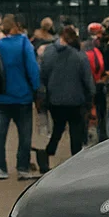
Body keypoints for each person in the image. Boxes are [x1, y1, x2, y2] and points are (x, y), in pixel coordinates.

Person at [38, 25, 95, 170]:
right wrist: (90, 97)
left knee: (58, 128)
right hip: (76, 100)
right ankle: (75, 163)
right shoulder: (79, 55)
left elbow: (42, 75)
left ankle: (47, 154)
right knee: (76, 130)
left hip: (55, 100)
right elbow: (87, 80)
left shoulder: (49, 52)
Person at [0, 14, 41, 180]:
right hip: (23, 97)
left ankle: (0, 168)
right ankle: (22, 167)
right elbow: (33, 69)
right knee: (24, 136)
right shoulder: (24, 44)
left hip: (0, 98)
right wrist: (37, 90)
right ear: (17, 26)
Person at [83, 22, 109, 141]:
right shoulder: (98, 48)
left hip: (91, 85)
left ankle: (90, 137)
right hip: (96, 84)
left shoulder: (85, 47)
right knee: (98, 113)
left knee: (93, 113)